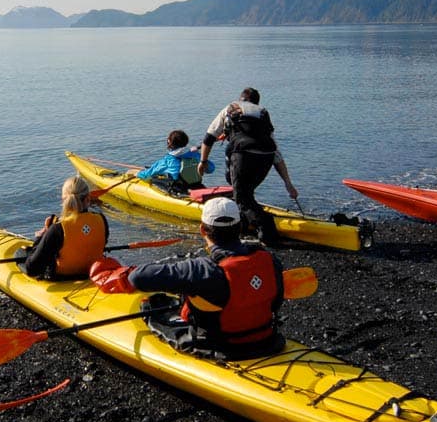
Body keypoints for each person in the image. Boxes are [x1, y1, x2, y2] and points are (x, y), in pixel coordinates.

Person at [94, 197, 285, 358]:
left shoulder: (202, 270)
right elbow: (275, 301)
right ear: (240, 227)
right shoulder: (269, 260)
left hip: (221, 347)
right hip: (267, 339)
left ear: (203, 230)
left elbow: (138, 278)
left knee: (151, 306)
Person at [197, 88, 298, 244]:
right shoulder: (262, 113)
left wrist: (203, 161)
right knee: (246, 193)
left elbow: (209, 137)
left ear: (241, 99)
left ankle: (267, 229)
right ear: (257, 102)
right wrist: (288, 184)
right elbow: (276, 152)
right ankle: (242, 226)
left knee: (242, 197)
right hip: (266, 158)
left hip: (242, 155)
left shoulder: (230, 108)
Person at [22, 175, 109, 279]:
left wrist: (41, 236)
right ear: (88, 199)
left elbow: (32, 269)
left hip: (63, 277)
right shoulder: (101, 219)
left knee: (20, 253)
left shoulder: (58, 228)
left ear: (64, 201)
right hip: (92, 272)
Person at [136, 129, 215, 191]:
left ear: (169, 142)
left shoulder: (169, 159)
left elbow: (151, 172)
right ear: (186, 142)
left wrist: (139, 175)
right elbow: (211, 169)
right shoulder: (197, 156)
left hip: (179, 188)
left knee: (153, 179)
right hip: (196, 185)